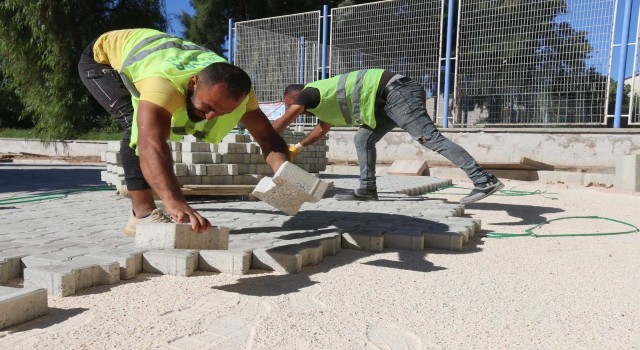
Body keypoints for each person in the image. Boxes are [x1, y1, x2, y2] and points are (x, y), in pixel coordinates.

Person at [78, 29, 288, 236]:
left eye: (222, 113)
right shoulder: (162, 83)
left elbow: (267, 137)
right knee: (133, 124)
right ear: (192, 83)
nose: (209, 117)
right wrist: (174, 201)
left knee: (157, 124)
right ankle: (141, 215)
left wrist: (285, 173)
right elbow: (150, 143)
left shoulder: (241, 93)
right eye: (207, 107)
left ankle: (142, 184)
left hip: (159, 53)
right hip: (102, 59)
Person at [272, 69, 503, 204]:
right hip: (384, 103)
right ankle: (367, 190)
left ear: (291, 98)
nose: (289, 107)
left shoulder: (308, 93)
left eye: (287, 104)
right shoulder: (321, 106)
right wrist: (298, 147)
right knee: (362, 139)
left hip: (397, 92)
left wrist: (268, 139)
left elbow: (285, 120)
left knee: (429, 138)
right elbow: (321, 129)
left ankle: (484, 179)